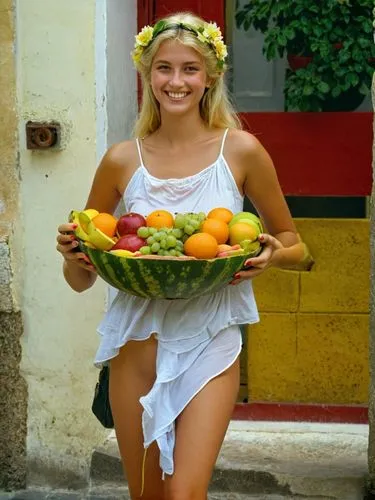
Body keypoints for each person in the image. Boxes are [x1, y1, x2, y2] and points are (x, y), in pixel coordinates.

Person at [56, 11, 304, 500]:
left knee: (185, 494)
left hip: (209, 340)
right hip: (136, 346)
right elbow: (82, 280)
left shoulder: (243, 152)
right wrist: (72, 256)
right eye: (164, 68)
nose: (176, 81)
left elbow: (296, 245)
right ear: (147, 76)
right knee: (146, 495)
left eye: (189, 68)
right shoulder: (122, 159)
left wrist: (274, 256)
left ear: (210, 76)